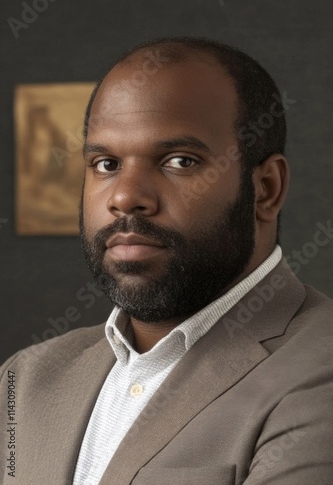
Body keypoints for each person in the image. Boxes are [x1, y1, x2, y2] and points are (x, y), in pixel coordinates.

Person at [1, 37, 333, 485]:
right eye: (105, 163)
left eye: (179, 161)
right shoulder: (24, 381)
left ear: (266, 188)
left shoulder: (319, 373)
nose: (125, 197)